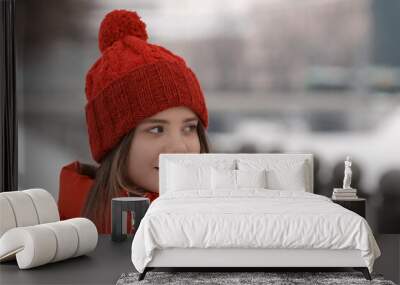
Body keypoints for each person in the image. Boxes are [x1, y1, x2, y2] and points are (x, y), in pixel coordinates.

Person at [58, 9, 210, 234]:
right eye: (157, 129)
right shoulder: (70, 238)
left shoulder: (210, 218)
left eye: (189, 128)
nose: (180, 147)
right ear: (115, 143)